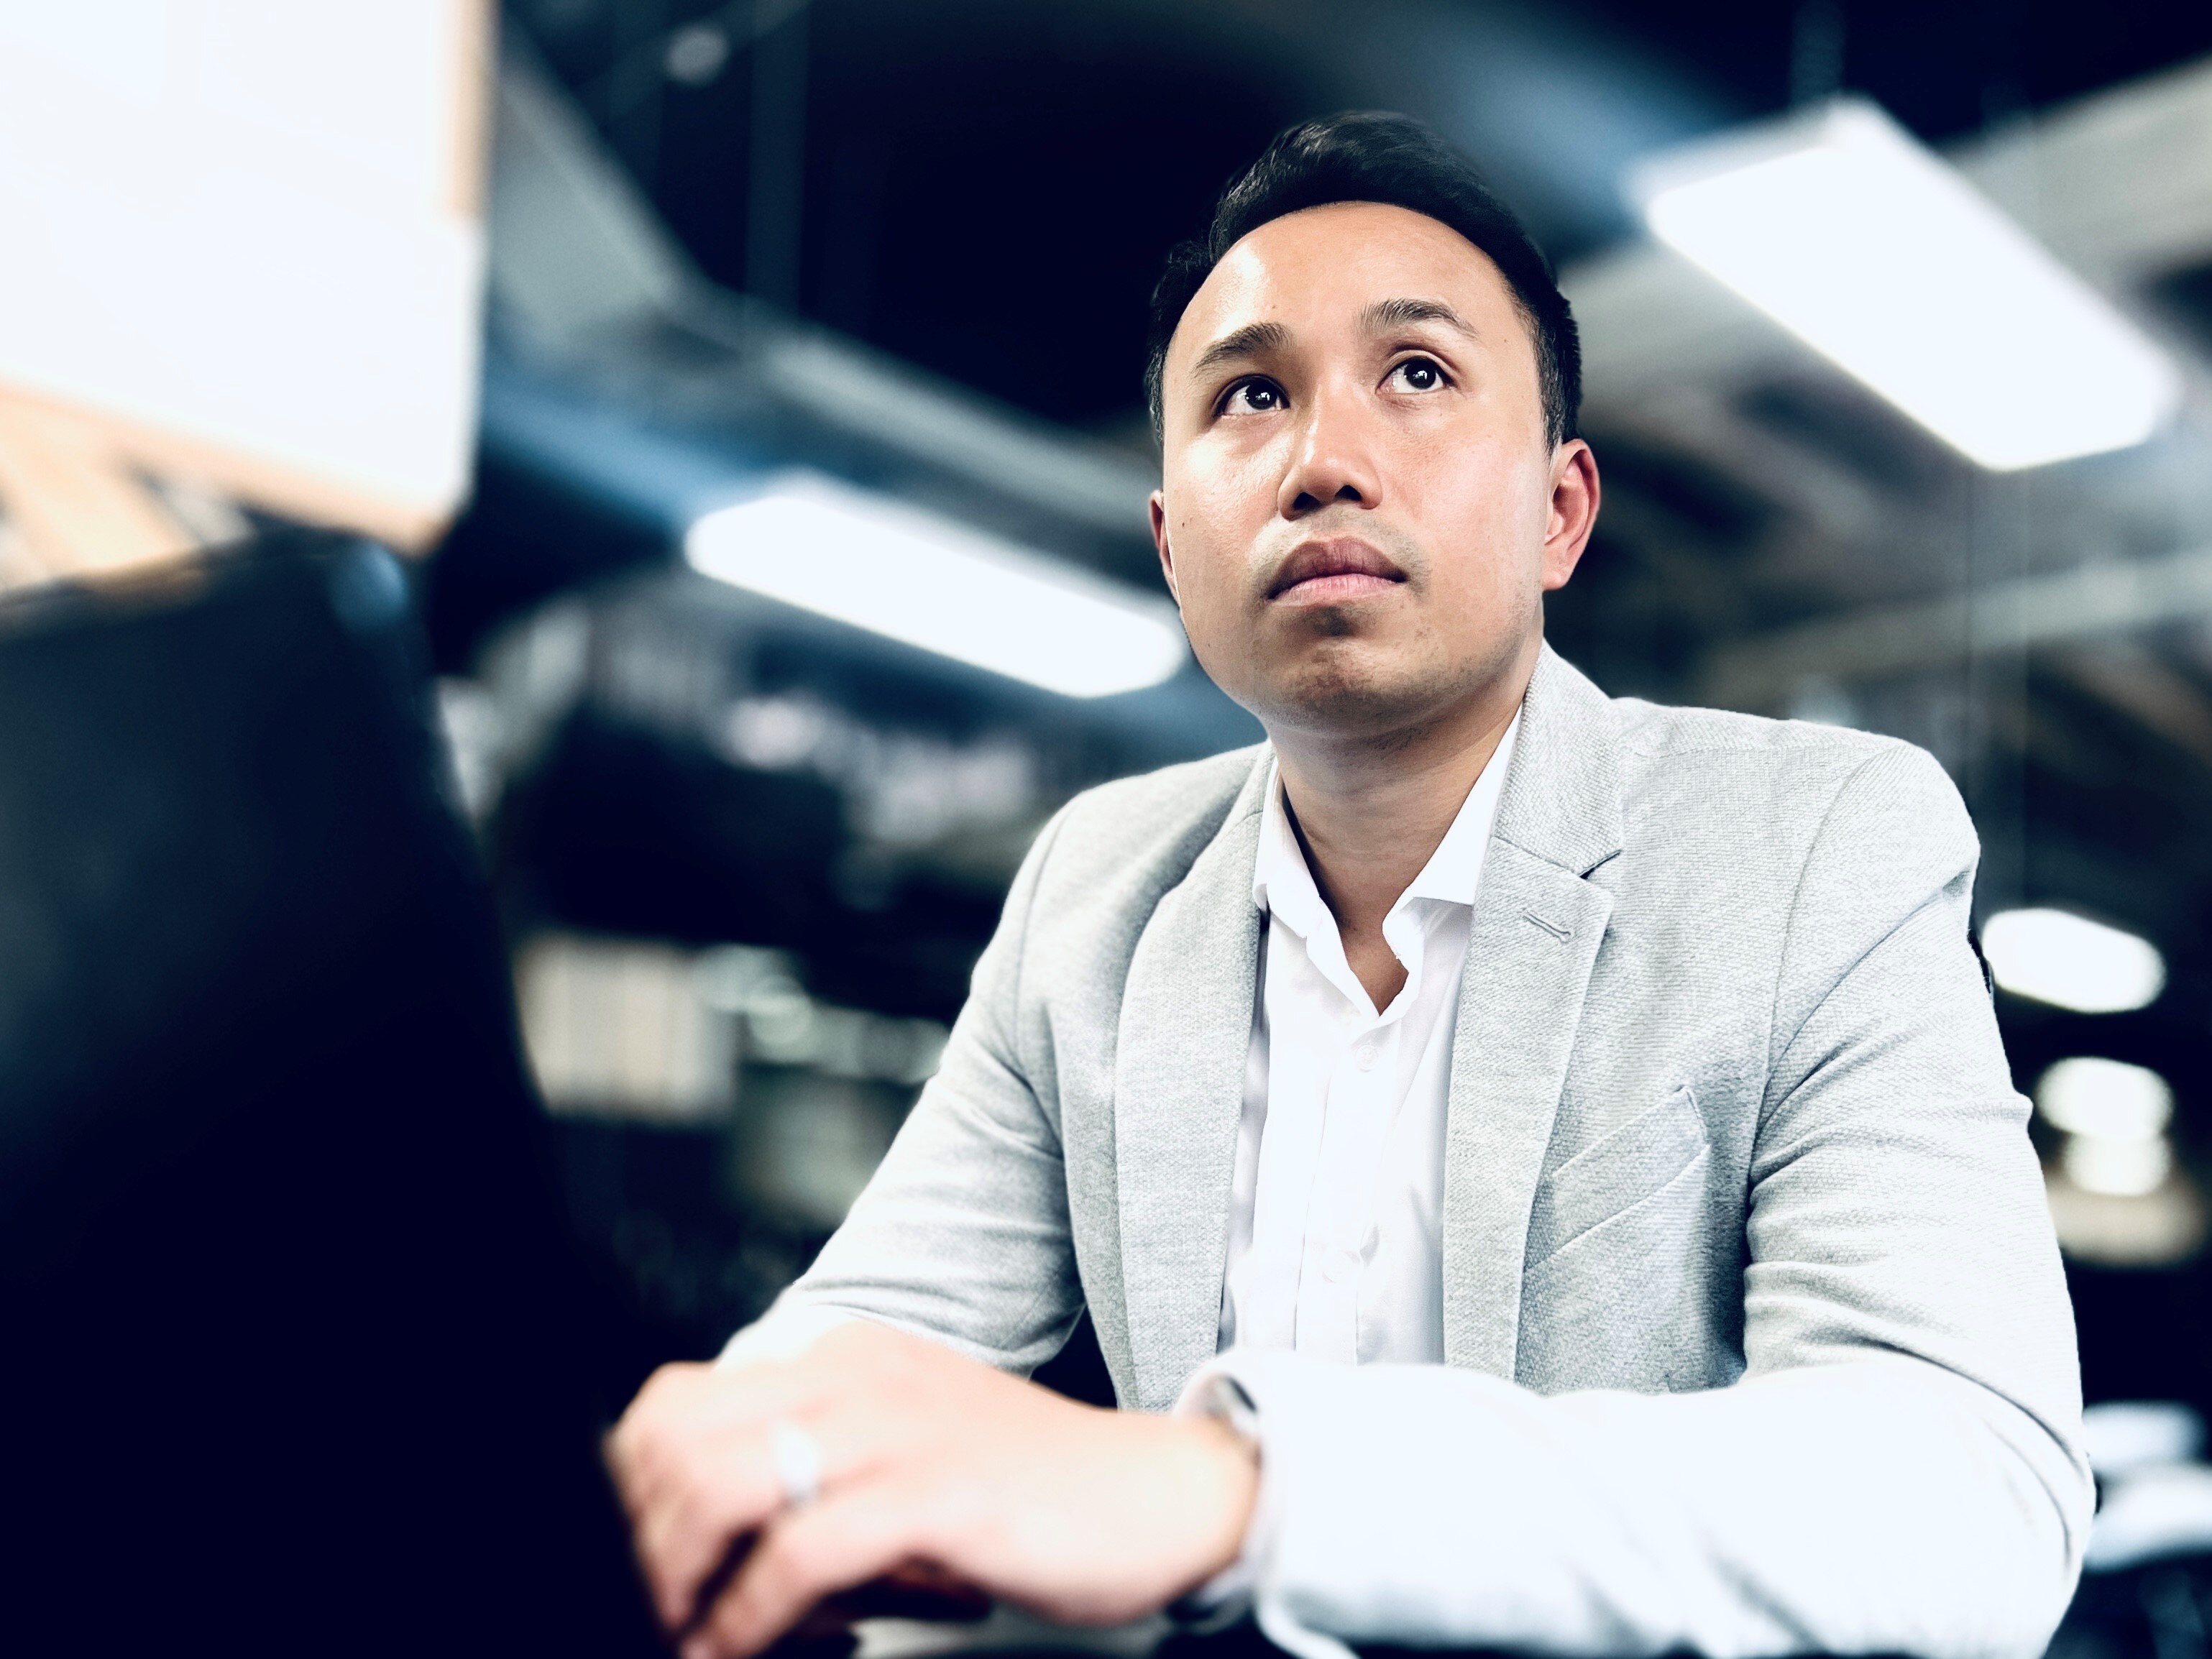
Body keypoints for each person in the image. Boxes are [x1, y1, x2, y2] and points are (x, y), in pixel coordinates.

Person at [607, 111, 2090, 1659]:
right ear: (1173, 543)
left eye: (1419, 375)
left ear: (1560, 512)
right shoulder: (1096, 891)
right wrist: (716, 1471)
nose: (1323, 461)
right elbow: (859, 1351)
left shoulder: (1817, 841)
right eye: (1250, 396)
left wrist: (1238, 1492)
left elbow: (1970, 1491)